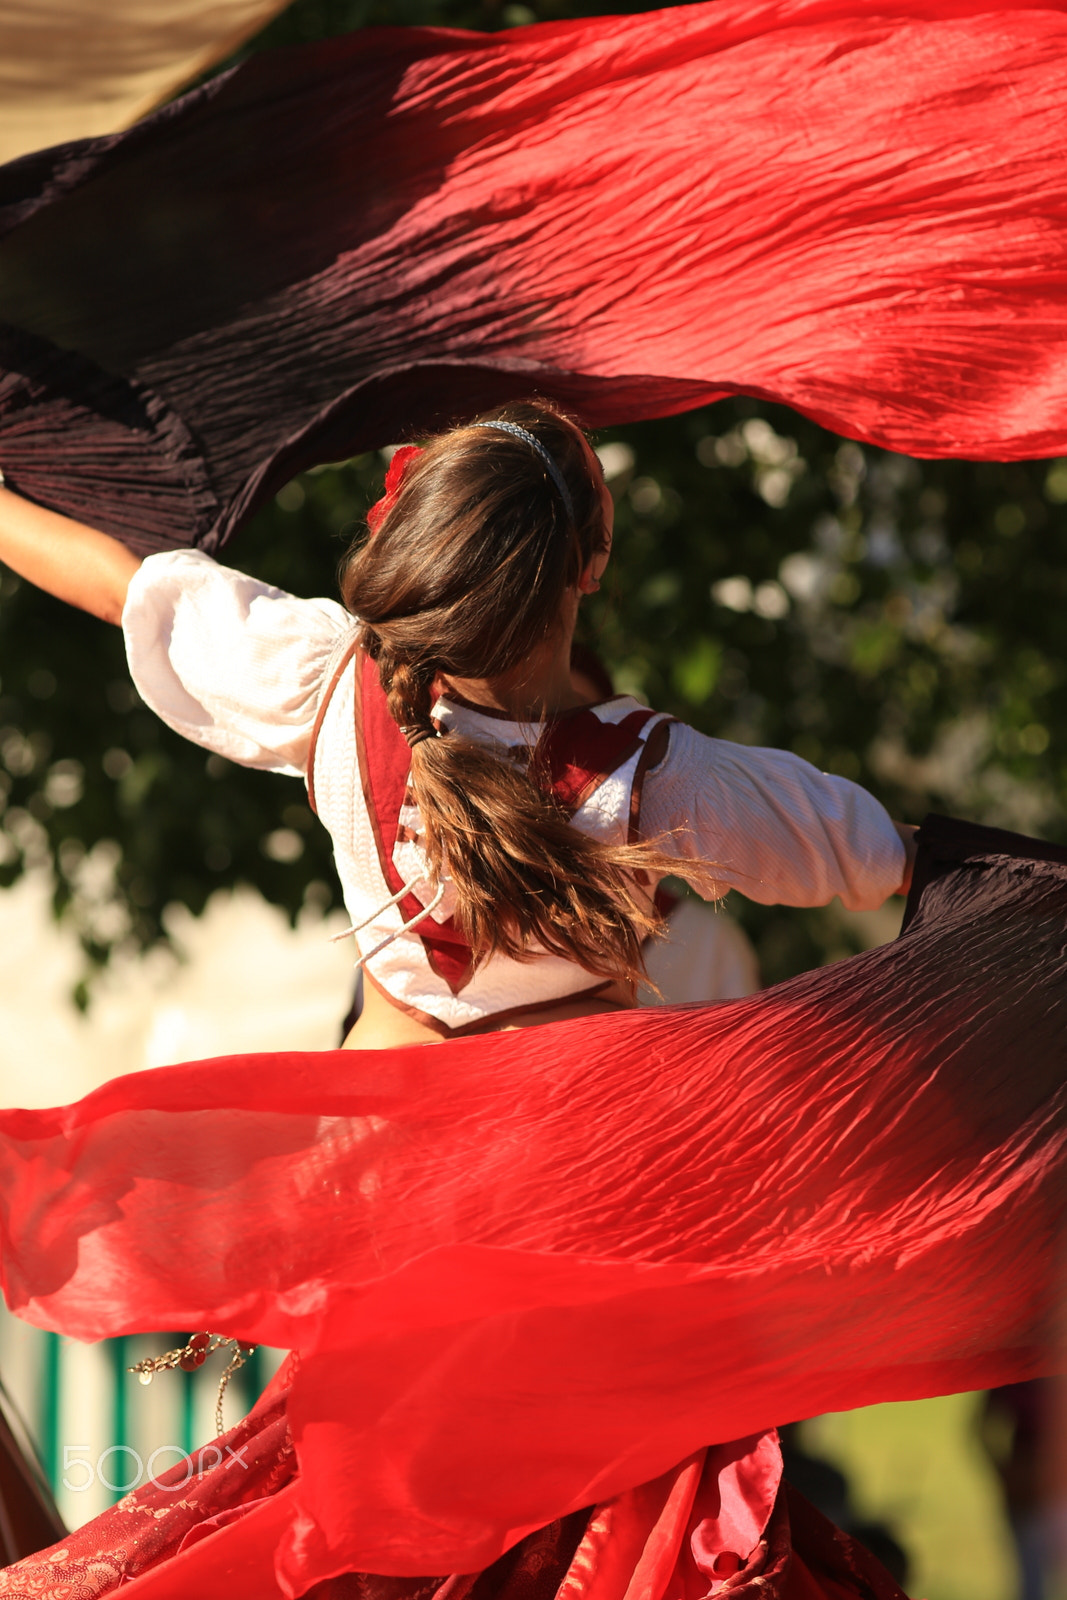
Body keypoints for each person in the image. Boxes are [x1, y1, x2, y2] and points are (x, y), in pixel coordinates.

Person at [0, 399, 1013, 1600]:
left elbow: (125, 586)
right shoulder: (658, 780)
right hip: (584, 1228)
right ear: (586, 565)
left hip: (392, 1221)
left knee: (359, 1532)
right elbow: (883, 857)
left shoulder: (324, 686)